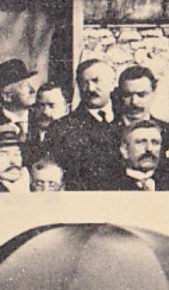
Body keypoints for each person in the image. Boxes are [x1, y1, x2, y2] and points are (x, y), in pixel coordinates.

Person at [44, 58, 119, 191]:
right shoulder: (61, 129)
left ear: (113, 83)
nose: (90, 88)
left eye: (96, 81)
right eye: (84, 83)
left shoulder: (127, 121)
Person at [112, 65, 169, 188]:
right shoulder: (104, 134)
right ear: (119, 95)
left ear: (153, 94)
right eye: (127, 95)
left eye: (141, 95)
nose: (134, 102)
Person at [97, 118, 169, 191]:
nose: (149, 149)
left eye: (155, 142)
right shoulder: (108, 187)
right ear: (125, 150)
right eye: (141, 142)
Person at [0, 59, 40, 144]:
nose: (33, 90)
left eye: (30, 85)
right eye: (25, 86)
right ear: (7, 97)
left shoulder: (41, 119)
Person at [31, 83, 70, 148]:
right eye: (41, 105)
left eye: (52, 105)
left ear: (66, 109)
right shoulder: (28, 136)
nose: (45, 112)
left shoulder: (73, 141)